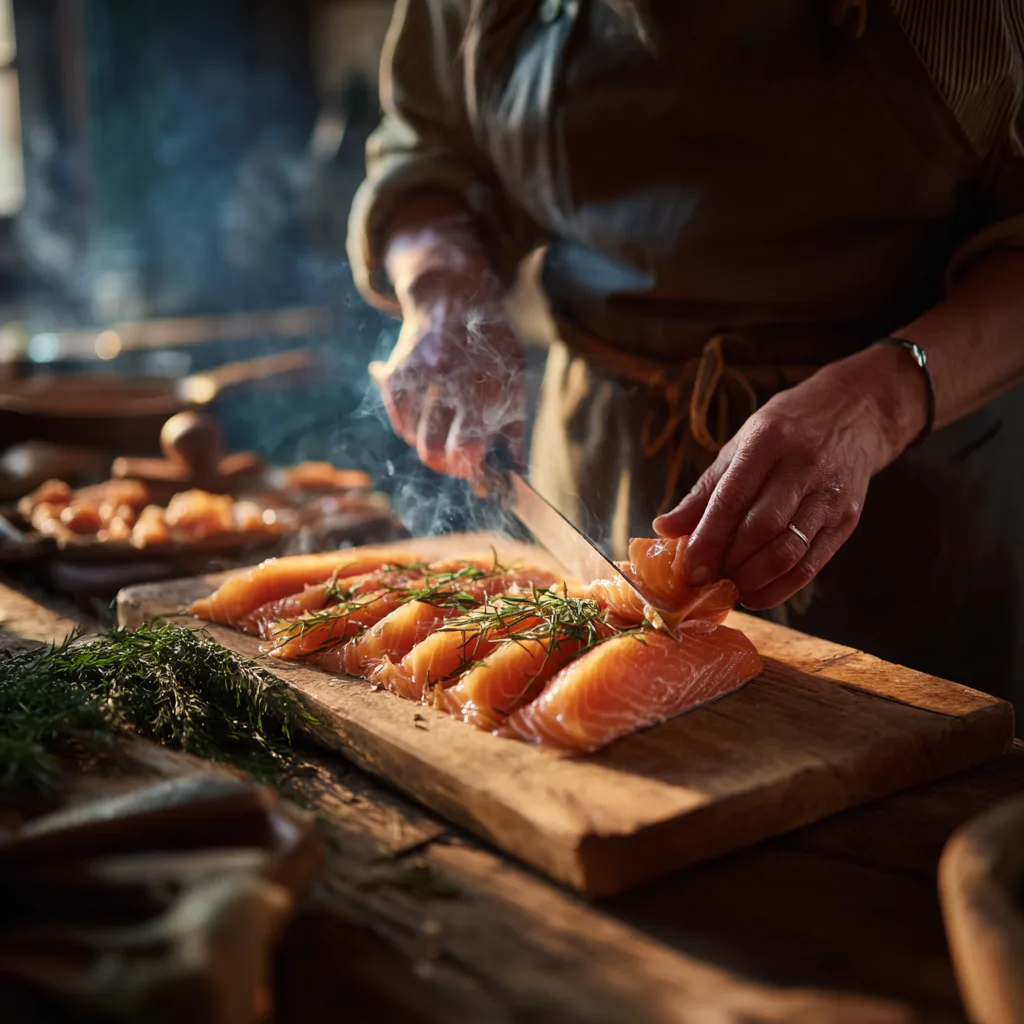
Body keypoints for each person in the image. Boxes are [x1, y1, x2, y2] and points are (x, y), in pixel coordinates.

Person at [346, 0, 1024, 704]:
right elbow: (427, 151)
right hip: (600, 459)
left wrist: (876, 405)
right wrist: (442, 287)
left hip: (912, 489)